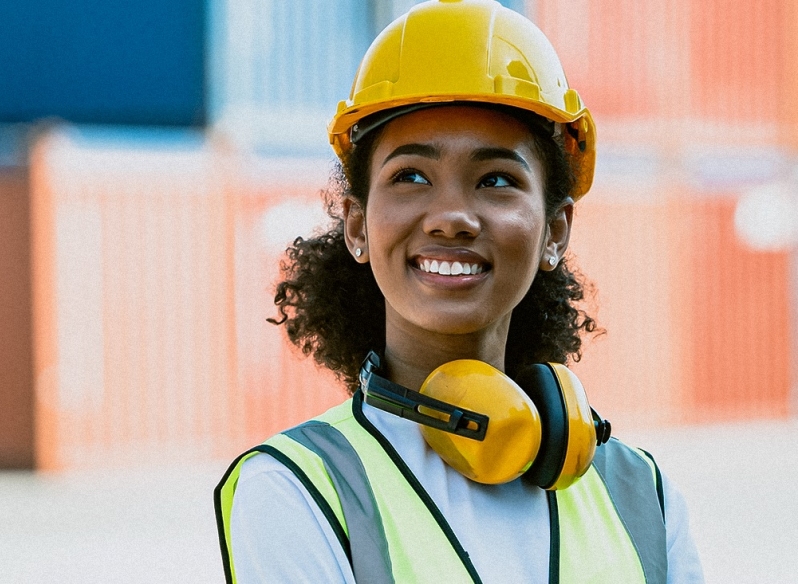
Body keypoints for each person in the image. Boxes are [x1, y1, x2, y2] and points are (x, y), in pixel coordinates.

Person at [214, 1, 704, 582]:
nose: (451, 217)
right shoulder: (298, 491)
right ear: (356, 225)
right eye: (411, 176)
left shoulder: (644, 499)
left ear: (555, 230)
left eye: (496, 179)